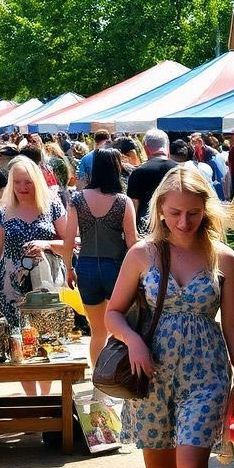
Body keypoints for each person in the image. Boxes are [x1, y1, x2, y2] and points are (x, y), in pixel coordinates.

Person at [107, 166, 234, 468]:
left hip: (207, 372)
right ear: (160, 211)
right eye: (174, 213)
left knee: (190, 464)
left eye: (192, 213)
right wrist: (132, 341)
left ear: (206, 209)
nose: (183, 222)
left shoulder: (223, 258)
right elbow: (113, 312)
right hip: (151, 373)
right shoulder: (143, 254)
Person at [0, 157, 69, 395]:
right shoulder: (3, 211)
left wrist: (46, 244)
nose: (22, 187)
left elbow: (72, 242)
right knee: (17, 340)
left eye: (27, 182)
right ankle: (31, 399)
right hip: (10, 284)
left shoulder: (52, 205)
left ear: (36, 181)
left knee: (44, 336)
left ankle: (46, 397)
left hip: (45, 280)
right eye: (17, 182)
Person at [63, 147, 138, 370]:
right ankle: (120, 377)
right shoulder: (122, 202)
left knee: (97, 332)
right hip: (116, 268)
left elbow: (69, 240)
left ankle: (99, 383)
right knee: (122, 328)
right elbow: (132, 241)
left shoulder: (77, 199)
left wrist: (68, 268)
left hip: (86, 266)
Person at [126, 130, 178, 226]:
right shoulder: (180, 170)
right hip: (175, 226)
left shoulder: (138, 172)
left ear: (146, 148)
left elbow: (133, 207)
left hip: (146, 228)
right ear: (167, 147)